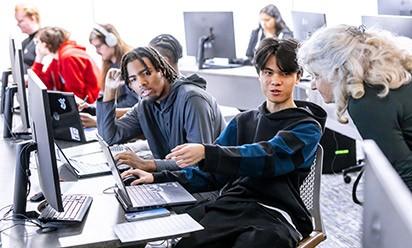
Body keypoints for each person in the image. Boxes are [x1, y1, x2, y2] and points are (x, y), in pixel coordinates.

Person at [123, 38, 327, 247]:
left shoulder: (306, 127)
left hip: (275, 214)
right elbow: (209, 175)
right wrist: (156, 178)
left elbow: (269, 156)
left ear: (298, 77)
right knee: (180, 239)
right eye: (268, 72)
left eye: (284, 74)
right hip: (232, 207)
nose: (275, 80)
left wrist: (207, 153)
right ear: (259, 75)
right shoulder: (243, 121)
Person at [298, 24, 412, 191]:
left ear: (336, 71)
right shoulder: (386, 83)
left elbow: (405, 174)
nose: (313, 85)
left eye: (317, 76)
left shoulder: (365, 102)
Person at [96, 46, 225, 172]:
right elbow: (109, 138)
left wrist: (148, 165)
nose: (141, 83)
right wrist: (110, 91)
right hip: (176, 179)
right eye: (133, 79)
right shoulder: (145, 105)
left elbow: (198, 164)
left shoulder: (192, 99)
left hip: (213, 186)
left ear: (161, 70)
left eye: (147, 73)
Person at [79, 24, 140, 127]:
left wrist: (100, 116)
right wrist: (91, 108)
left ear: (111, 41)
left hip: (129, 121)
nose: (97, 51)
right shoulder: (110, 65)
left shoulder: (130, 63)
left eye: (98, 46)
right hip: (114, 117)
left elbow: (134, 105)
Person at [32, 26, 100, 104]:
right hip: (80, 103)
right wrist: (39, 59)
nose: (36, 46)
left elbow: (76, 95)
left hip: (87, 105)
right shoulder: (57, 59)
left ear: (45, 44)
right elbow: (44, 85)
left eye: (37, 42)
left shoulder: (68, 58)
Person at [14, 3, 41, 70]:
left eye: (20, 21)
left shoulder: (44, 39)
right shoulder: (24, 43)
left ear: (32, 18)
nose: (17, 24)